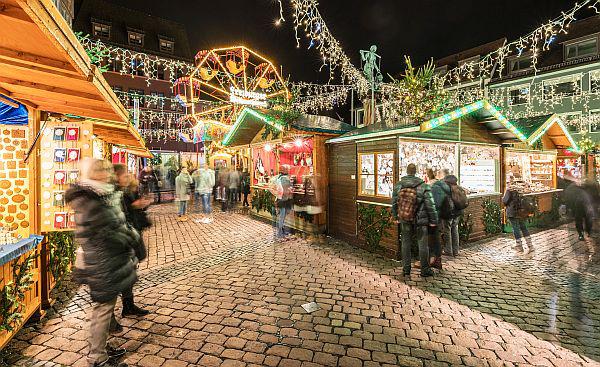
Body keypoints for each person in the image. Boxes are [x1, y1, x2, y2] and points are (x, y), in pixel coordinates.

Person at [65, 159, 138, 367]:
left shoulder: (101, 194)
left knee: (106, 308)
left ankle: (103, 348)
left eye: (108, 169)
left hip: (108, 259)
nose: (109, 173)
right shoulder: (92, 200)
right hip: (102, 261)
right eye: (104, 170)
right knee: (102, 310)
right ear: (94, 174)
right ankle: (97, 358)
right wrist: (131, 237)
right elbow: (109, 231)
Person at [112, 165, 151, 326]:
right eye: (124, 174)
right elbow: (119, 216)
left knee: (129, 273)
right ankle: (109, 320)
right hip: (121, 240)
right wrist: (135, 206)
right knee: (118, 278)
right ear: (116, 176)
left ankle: (128, 305)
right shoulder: (113, 194)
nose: (128, 176)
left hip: (130, 236)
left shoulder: (126, 190)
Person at [392, 163, 438, 277]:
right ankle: (425, 269)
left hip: (405, 218)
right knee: (422, 245)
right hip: (420, 220)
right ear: (415, 172)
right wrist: (433, 220)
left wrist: (395, 216)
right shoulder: (424, 186)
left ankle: (406, 269)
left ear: (407, 171)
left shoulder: (399, 185)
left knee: (405, 243)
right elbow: (430, 205)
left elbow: (394, 203)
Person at [502, 175, 533, 252]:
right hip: (521, 212)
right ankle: (530, 245)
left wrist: (504, 197)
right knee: (523, 227)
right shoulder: (520, 188)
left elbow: (505, 201)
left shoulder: (510, 189)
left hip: (513, 212)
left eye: (507, 181)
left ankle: (519, 246)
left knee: (516, 228)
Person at [429, 169, 451, 269]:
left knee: (433, 238)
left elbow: (435, 204)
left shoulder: (436, 187)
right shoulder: (444, 186)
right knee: (437, 237)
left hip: (436, 216)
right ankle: (437, 259)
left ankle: (434, 259)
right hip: (442, 215)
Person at [442, 170, 463, 257]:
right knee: (455, 230)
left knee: (447, 231)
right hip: (457, 213)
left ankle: (448, 250)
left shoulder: (447, 190)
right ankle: (456, 250)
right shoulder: (459, 188)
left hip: (449, 213)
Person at [270, 165, 294, 238]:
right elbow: (289, 188)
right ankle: (280, 232)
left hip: (278, 199)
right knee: (282, 216)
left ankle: (280, 230)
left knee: (281, 215)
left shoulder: (277, 177)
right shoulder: (286, 178)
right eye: (287, 170)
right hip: (283, 199)